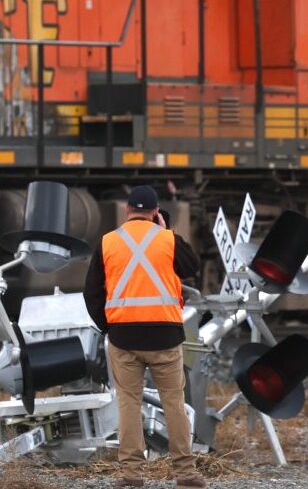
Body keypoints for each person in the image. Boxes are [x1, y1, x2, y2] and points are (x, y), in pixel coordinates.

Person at [84, 186, 206, 489]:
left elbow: (92, 293)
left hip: (124, 337)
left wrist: (108, 325)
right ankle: (185, 473)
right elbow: (193, 267)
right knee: (174, 402)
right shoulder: (167, 239)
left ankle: (131, 474)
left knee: (128, 403)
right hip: (165, 335)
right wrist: (170, 232)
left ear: (126, 210)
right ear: (155, 213)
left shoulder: (108, 242)